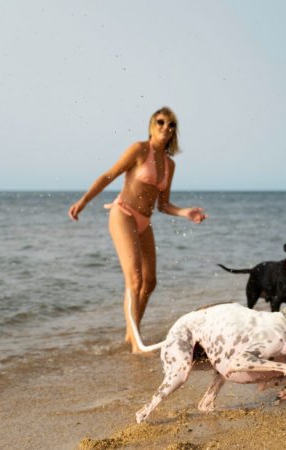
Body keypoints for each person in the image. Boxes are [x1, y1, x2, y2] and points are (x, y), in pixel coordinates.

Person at [68, 107, 207, 353]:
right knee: (134, 279)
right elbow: (109, 175)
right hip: (123, 213)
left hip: (144, 220)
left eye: (171, 124)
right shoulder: (139, 149)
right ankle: (136, 344)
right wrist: (84, 201)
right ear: (152, 125)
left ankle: (131, 334)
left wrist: (185, 212)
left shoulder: (170, 164)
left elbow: (163, 205)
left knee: (150, 282)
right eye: (161, 122)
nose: (166, 127)